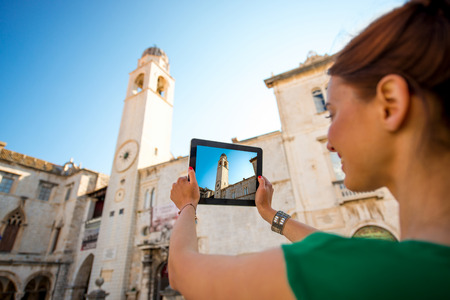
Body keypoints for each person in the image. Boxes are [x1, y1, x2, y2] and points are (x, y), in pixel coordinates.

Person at [169, 0, 450, 298]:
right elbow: (340, 252)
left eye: (332, 113)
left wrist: (188, 205)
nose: (328, 140)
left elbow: (181, 271)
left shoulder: (363, 271)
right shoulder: (415, 264)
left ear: (390, 104)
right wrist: (270, 213)